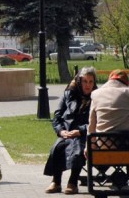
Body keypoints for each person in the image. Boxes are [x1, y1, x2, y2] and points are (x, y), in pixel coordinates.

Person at [43, 66, 97, 195]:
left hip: (84, 134)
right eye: (85, 81)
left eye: (91, 82)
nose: (87, 85)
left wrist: (80, 131)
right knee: (57, 147)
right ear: (79, 81)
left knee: (78, 150)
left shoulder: (96, 97)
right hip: (66, 133)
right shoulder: (69, 94)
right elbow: (57, 117)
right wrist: (61, 131)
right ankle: (56, 181)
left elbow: (97, 121)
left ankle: (72, 182)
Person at [88, 69, 129, 134]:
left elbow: (91, 126)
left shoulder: (96, 94)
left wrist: (89, 143)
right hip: (125, 141)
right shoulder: (127, 93)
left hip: (102, 142)